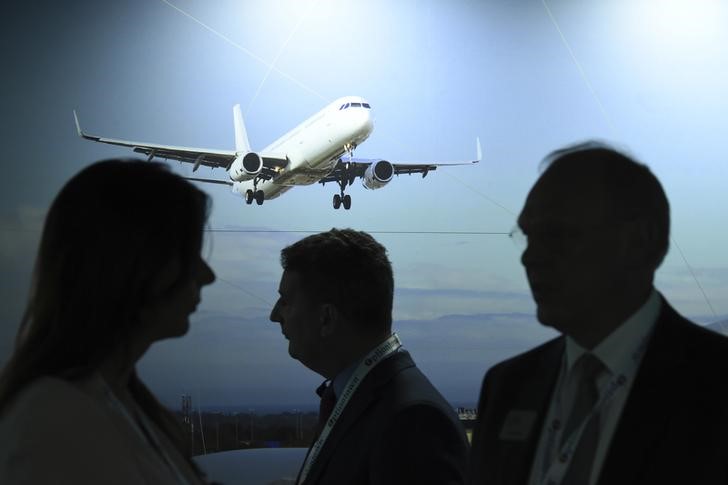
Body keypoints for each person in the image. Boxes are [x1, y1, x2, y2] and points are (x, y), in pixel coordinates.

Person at [467, 142, 728, 485]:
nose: (530, 258)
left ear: (639, 241)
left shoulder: (714, 389)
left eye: (555, 235)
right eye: (529, 237)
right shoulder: (506, 387)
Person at [0, 159, 216, 484]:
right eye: (190, 255)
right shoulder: (54, 421)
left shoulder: (119, 403)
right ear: (138, 264)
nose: (207, 275)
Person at [269, 228, 468, 485]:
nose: (274, 315)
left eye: (285, 301)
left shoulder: (413, 423)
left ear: (326, 318)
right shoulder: (366, 402)